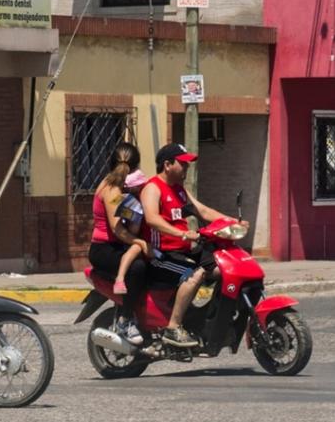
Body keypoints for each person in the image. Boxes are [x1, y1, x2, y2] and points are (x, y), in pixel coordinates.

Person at [139, 143, 249, 348]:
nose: (187, 169)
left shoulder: (179, 190)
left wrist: (233, 223)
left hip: (186, 249)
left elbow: (203, 211)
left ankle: (210, 322)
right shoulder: (152, 188)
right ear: (167, 165)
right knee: (196, 274)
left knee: (225, 270)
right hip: (161, 255)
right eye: (183, 164)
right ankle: (173, 327)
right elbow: (152, 219)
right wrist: (182, 233)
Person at [87, 142, 150, 345]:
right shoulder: (111, 189)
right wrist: (139, 241)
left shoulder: (123, 188)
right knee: (138, 267)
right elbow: (117, 229)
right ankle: (125, 319)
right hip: (104, 249)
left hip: (117, 246)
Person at [112, 169, 148, 295]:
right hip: (128, 236)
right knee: (137, 247)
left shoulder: (122, 198)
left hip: (128, 231)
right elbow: (132, 229)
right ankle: (120, 278)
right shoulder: (132, 201)